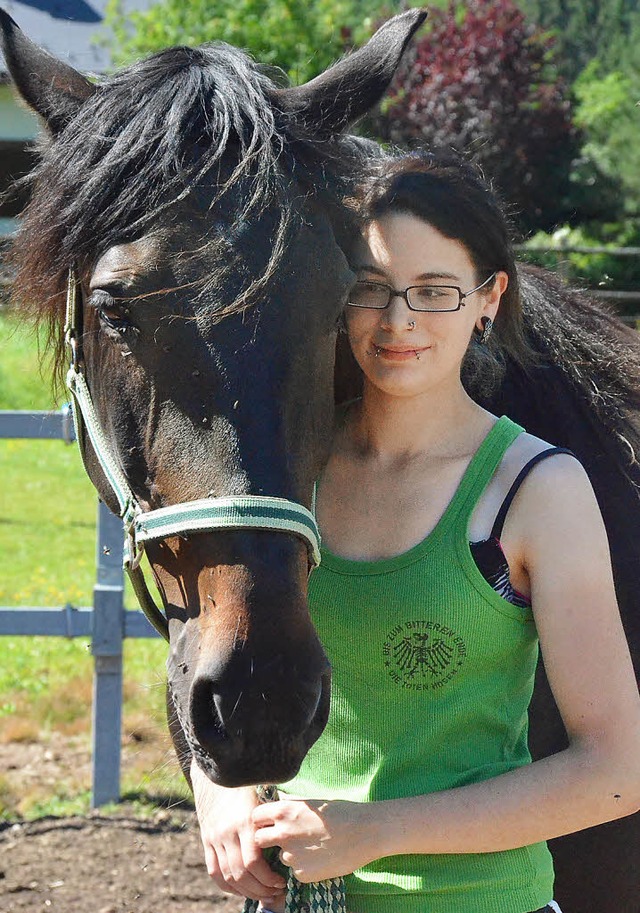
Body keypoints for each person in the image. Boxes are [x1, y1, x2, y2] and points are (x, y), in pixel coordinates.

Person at [189, 152, 640, 913]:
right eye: (371, 288)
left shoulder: (535, 491)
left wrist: (375, 830)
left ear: (488, 299)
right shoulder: (289, 474)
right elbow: (208, 648)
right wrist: (220, 795)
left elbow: (617, 768)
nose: (399, 322)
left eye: (435, 292)